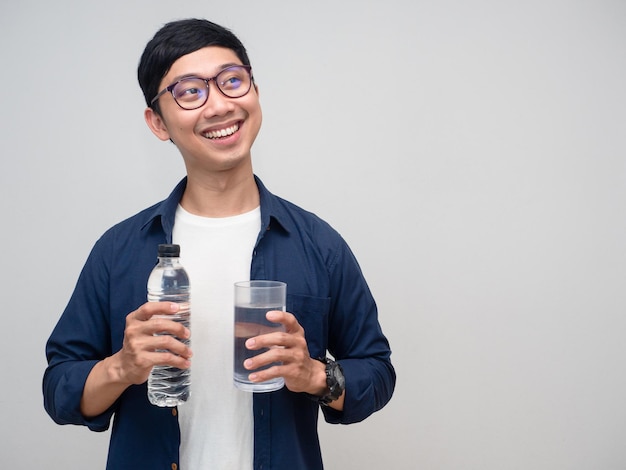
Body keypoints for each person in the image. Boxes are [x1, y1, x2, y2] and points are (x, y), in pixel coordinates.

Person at [43, 18, 395, 470]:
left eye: (232, 80)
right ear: (157, 122)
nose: (219, 105)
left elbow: (378, 372)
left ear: (255, 91)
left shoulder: (318, 245)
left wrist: (314, 374)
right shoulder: (119, 250)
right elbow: (59, 390)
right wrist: (121, 367)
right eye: (190, 91)